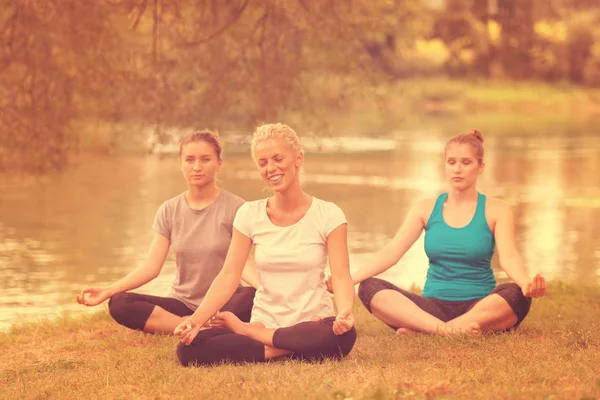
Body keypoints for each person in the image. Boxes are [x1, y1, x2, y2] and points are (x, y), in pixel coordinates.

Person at [173, 123, 357, 366]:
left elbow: (342, 276)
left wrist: (344, 312)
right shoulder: (249, 213)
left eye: (278, 159)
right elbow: (229, 274)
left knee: (344, 335)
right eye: (262, 163)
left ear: (298, 158)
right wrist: (196, 320)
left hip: (312, 323)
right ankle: (290, 347)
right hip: (266, 320)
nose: (271, 168)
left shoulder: (328, 214)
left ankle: (254, 336)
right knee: (188, 351)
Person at [329, 129, 546, 335]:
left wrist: (526, 283)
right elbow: (392, 252)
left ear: (481, 167)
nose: (457, 169)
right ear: (444, 165)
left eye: (466, 162)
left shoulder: (497, 209)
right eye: (451, 162)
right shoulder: (425, 208)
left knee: (516, 293)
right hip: (431, 307)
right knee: (369, 287)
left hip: (480, 306)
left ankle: (426, 330)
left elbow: (509, 257)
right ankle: (447, 331)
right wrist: (349, 279)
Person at [76, 131, 258, 334]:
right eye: (190, 160)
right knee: (119, 303)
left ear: (219, 163)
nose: (197, 167)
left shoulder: (237, 208)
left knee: (252, 295)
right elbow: (151, 267)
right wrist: (108, 290)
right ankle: (190, 326)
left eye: (205, 160)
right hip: (183, 303)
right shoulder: (169, 210)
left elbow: (243, 264)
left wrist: (267, 289)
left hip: (225, 302)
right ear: (181, 163)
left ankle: (196, 324)